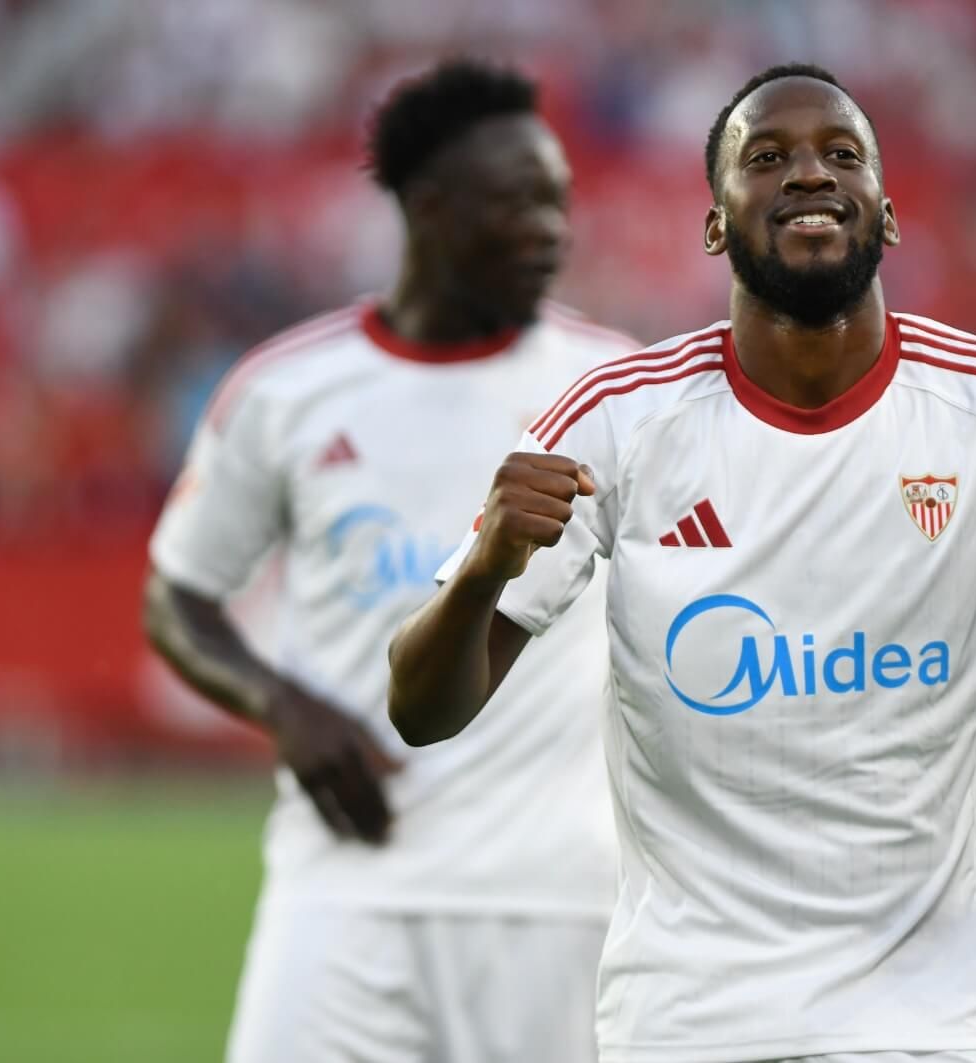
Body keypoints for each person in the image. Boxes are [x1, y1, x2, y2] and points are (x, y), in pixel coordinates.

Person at [388, 63, 976, 1063]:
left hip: (922, 1032)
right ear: (714, 223)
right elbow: (420, 707)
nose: (809, 174)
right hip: (684, 1028)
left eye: (841, 154)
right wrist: (487, 566)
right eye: (767, 157)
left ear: (887, 213)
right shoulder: (616, 422)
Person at [144, 59, 632, 1063]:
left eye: (558, 202)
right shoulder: (290, 391)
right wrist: (284, 706)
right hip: (343, 887)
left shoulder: (612, 387)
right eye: (516, 203)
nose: (552, 228)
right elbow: (178, 594)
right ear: (428, 207)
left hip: (557, 898)